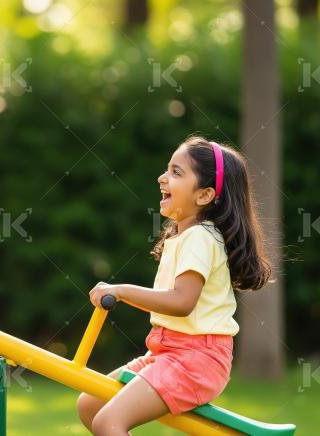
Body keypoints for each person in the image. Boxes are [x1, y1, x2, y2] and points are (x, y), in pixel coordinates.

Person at [79, 136, 272, 435]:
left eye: (176, 172)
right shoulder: (186, 237)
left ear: (205, 195)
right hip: (168, 352)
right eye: (167, 169)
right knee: (90, 404)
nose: (162, 177)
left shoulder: (200, 237)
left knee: (108, 421)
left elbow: (182, 302)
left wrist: (121, 291)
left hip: (196, 359)